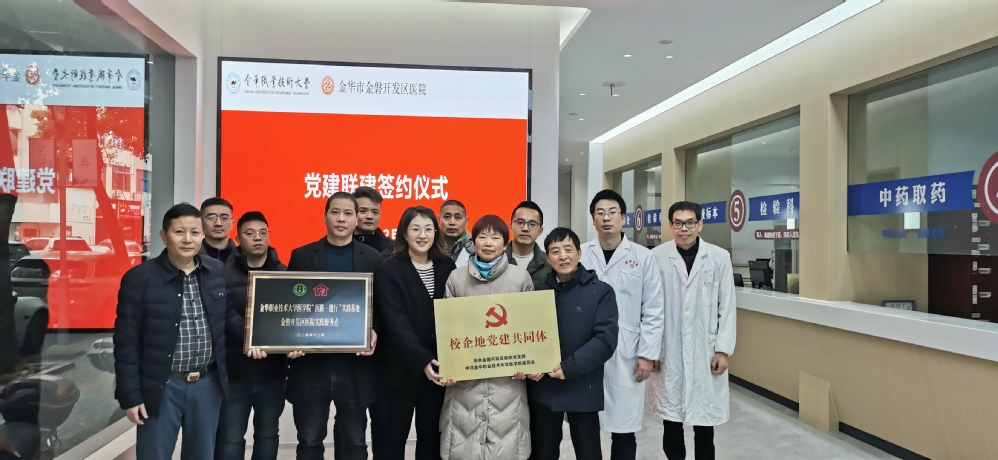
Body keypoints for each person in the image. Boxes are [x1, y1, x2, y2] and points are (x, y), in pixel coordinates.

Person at [113, 203, 229, 460]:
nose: (188, 239)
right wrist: (130, 395)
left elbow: (227, 322)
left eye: (194, 232)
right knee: (154, 454)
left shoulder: (216, 272)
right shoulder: (139, 278)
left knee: (202, 455)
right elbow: (126, 342)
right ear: (164, 236)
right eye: (179, 232)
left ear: (202, 235)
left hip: (207, 384)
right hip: (161, 385)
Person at [284, 192, 383, 460]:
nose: (341, 219)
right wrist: (288, 338)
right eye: (335, 212)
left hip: (354, 367)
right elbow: (291, 305)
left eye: (348, 213)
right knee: (309, 442)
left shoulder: (373, 258)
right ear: (325, 216)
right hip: (311, 366)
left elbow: (381, 307)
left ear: (357, 219)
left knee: (355, 444)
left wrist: (374, 330)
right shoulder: (302, 256)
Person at [579, 189, 664, 460]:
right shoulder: (580, 254)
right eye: (600, 213)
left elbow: (653, 308)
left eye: (612, 212)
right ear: (593, 219)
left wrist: (648, 354)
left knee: (624, 429)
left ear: (623, 218)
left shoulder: (642, 256)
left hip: (627, 352)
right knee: (586, 427)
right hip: (586, 349)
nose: (606, 218)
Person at [440, 215, 534, 459]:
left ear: (505, 243)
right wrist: (449, 365)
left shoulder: (520, 278)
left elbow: (529, 328)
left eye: (496, 237)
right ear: (474, 242)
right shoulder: (456, 278)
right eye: (482, 237)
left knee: (507, 447)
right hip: (465, 384)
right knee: (463, 448)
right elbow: (449, 329)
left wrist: (527, 363)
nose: (489, 243)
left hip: (508, 384)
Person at [650, 202, 736, 460]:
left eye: (690, 223)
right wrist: (651, 349)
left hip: (705, 351)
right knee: (671, 423)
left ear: (700, 224)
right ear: (670, 225)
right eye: (678, 223)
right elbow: (650, 307)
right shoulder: (657, 257)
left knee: (704, 425)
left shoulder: (719, 257)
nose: (684, 228)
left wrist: (723, 350)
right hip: (669, 349)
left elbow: (727, 307)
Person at [528, 227, 619, 460]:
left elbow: (605, 340)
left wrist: (569, 367)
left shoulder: (600, 292)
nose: (563, 256)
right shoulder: (537, 292)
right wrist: (530, 364)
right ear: (547, 258)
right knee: (543, 453)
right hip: (544, 389)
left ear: (579, 253)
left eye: (568, 249)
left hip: (582, 386)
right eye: (555, 251)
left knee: (588, 453)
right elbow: (527, 336)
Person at [374, 206, 457, 460]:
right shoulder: (390, 267)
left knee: (431, 438)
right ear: (404, 233)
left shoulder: (447, 265)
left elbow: (455, 313)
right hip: (399, 370)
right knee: (393, 438)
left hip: (439, 370)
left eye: (428, 229)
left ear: (436, 232)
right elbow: (396, 322)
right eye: (416, 229)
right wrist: (422, 360)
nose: (423, 235)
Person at [215, 211, 287, 460]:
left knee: (268, 434)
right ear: (237, 239)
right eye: (250, 233)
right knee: (231, 435)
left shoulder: (285, 273)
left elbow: (292, 318)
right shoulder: (222, 275)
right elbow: (222, 315)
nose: (258, 238)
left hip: (273, 372)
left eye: (263, 233)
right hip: (235, 372)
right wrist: (252, 338)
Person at [505, 201, 552, 285]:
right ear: (511, 226)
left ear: (540, 231)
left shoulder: (549, 263)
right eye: (520, 222)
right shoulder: (497, 259)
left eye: (532, 224)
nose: (525, 228)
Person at [353, 186, 395, 256]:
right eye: (363, 211)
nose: (369, 216)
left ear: (380, 215)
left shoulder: (392, 249)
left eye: (375, 212)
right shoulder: (340, 244)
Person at [201, 197, 238, 264]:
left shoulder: (244, 258)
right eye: (211, 217)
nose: (218, 223)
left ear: (232, 224)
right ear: (201, 223)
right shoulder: (190, 257)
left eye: (224, 218)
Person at [439, 200, 474, 266]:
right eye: (447, 217)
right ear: (439, 220)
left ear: (466, 222)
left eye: (457, 217)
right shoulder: (428, 245)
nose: (452, 222)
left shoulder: (475, 249)